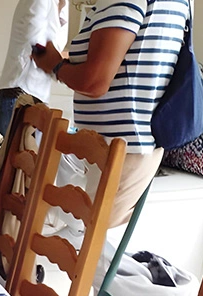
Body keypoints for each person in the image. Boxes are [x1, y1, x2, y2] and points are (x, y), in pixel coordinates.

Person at [31, 0, 189, 225]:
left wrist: (56, 66)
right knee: (90, 240)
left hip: (121, 147)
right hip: (132, 145)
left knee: (89, 244)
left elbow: (95, 82)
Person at [0, 0, 67, 135]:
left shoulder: (62, 4)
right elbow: (37, 48)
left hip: (38, 98)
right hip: (19, 97)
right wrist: (67, 68)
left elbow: (53, 48)